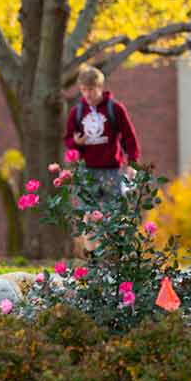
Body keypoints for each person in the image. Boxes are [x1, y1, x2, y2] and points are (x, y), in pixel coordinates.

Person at [63, 66, 141, 250]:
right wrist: (76, 143)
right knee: (88, 215)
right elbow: (68, 138)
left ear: (100, 87)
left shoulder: (115, 109)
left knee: (113, 215)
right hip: (87, 171)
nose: (87, 94)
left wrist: (132, 163)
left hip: (111, 170)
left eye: (91, 89)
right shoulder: (77, 111)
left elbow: (129, 137)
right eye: (83, 89)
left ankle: (112, 256)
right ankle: (92, 258)